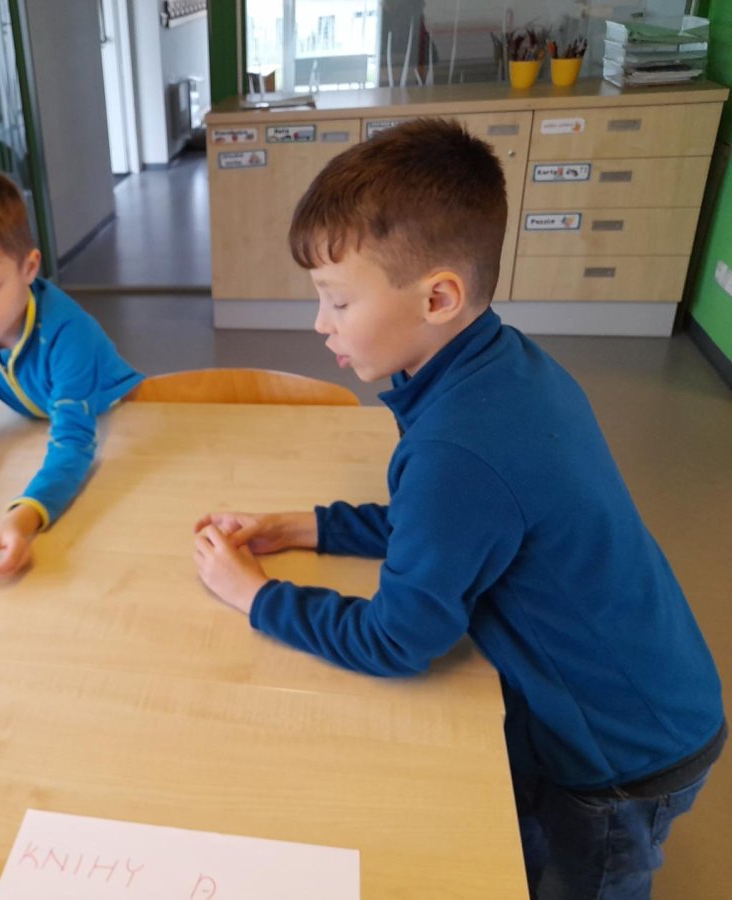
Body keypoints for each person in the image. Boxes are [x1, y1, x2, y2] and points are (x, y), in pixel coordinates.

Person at [192, 118, 724, 898]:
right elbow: (442, 527)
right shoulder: (501, 366)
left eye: (337, 300)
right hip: (646, 691)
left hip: (618, 753)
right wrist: (300, 526)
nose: (320, 323)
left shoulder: (458, 448)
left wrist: (255, 596)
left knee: (582, 878)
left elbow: (398, 639)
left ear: (438, 296)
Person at [0, 172, 142, 578]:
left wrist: (24, 518)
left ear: (29, 267)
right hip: (39, 417)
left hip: (118, 416)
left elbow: (74, 444)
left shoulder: (70, 332)